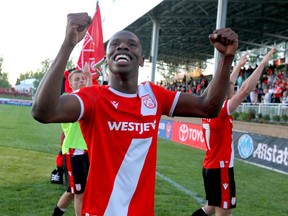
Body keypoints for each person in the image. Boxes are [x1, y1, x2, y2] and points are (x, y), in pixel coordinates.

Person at [31, 13, 238, 215]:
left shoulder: (154, 96)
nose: (122, 46)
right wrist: (68, 43)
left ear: (141, 60)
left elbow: (208, 106)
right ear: (106, 58)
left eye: (132, 44)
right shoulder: (92, 97)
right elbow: (43, 111)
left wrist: (226, 58)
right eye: (114, 44)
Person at [191, 47, 276, 216]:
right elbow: (245, 89)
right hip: (220, 168)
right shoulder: (222, 111)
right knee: (223, 214)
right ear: (222, 94)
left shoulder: (209, 110)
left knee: (209, 207)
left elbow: (228, 83)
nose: (232, 88)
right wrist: (264, 62)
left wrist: (238, 65)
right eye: (229, 88)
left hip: (210, 165)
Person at [52, 64, 91, 216]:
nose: (81, 81)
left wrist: (88, 78)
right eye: (77, 79)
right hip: (74, 150)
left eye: (83, 78)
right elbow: (86, 97)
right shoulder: (68, 100)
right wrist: (88, 80)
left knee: (74, 190)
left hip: (87, 150)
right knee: (79, 193)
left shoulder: (85, 99)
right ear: (70, 83)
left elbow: (90, 96)